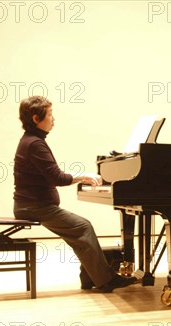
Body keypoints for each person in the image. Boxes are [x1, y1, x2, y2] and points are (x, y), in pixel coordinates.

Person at [13, 96, 136, 293]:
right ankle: (105, 281)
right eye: (50, 115)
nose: (54, 119)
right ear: (36, 118)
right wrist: (83, 177)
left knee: (79, 232)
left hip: (34, 206)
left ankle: (90, 278)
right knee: (83, 227)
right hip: (35, 207)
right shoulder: (34, 144)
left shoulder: (32, 141)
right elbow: (57, 178)